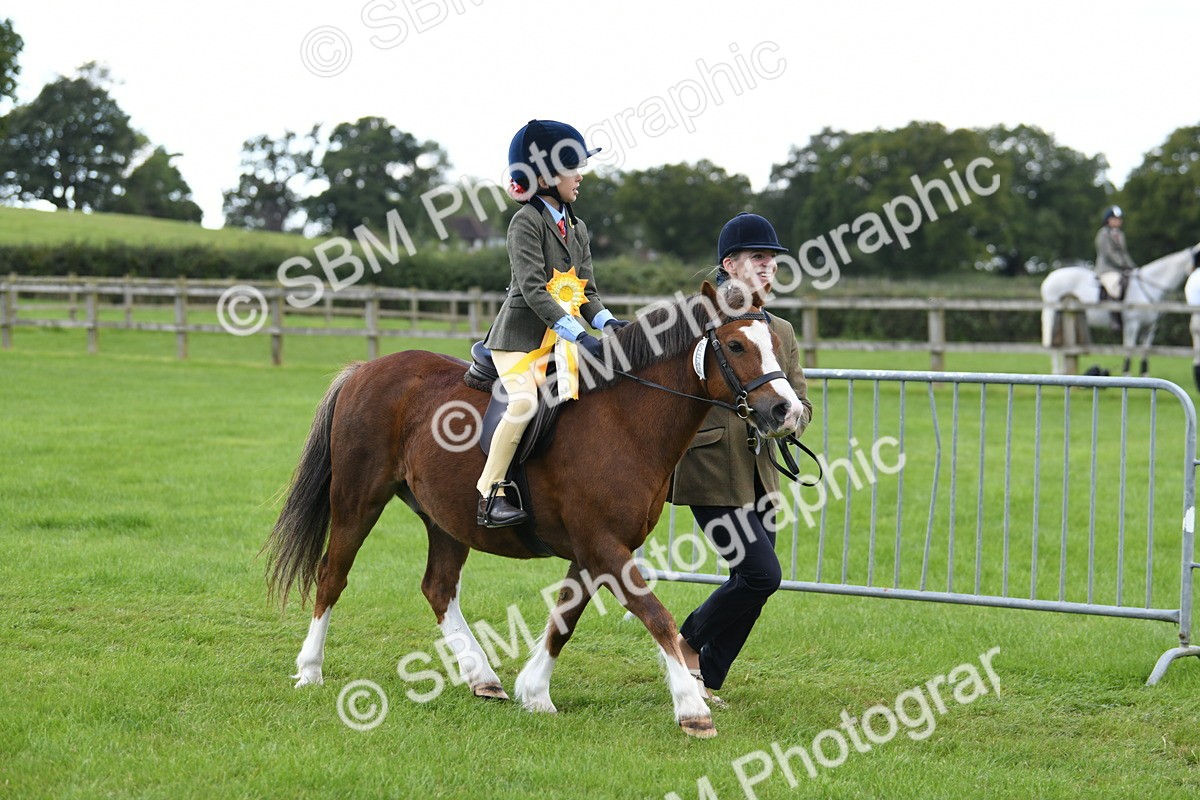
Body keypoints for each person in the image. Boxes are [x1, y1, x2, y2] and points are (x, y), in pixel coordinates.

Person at [670, 212, 814, 703]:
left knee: (754, 583)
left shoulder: (782, 330)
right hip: (709, 468)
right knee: (761, 574)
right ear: (729, 265)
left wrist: (796, 416)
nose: (769, 269)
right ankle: (685, 643)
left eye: (773, 261)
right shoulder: (697, 321)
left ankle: (706, 678)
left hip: (761, 474)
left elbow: (799, 397)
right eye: (758, 259)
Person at [476, 119, 628, 528]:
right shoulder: (524, 223)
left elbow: (587, 292)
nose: (580, 176)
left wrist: (610, 324)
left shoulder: (576, 228)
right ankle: (491, 493)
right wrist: (581, 335)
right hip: (519, 340)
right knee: (524, 403)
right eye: (571, 168)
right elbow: (532, 290)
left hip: (562, 341)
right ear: (543, 177)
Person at [1094, 205, 1137, 332]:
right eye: (1115, 218)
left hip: (1120, 268)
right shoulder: (1103, 234)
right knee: (1115, 286)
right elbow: (1109, 253)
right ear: (1108, 220)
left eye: (1119, 219)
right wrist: (1124, 265)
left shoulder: (1120, 235)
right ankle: (1114, 319)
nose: (1118, 221)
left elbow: (1124, 253)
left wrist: (1133, 267)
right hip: (1106, 269)